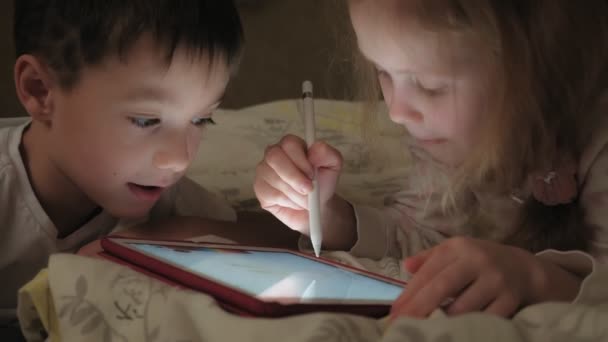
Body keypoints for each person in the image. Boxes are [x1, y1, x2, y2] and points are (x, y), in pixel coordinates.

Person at [254, 0, 608, 319]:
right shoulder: (447, 133)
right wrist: (329, 216)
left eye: (430, 85)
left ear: (536, 64)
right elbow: (429, 237)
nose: (396, 112)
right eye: (382, 72)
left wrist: (537, 279)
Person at [0, 0, 247, 327]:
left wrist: (324, 209)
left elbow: (276, 235)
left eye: (201, 119)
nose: (178, 159)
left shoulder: (162, 198)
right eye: (146, 121)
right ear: (41, 90)